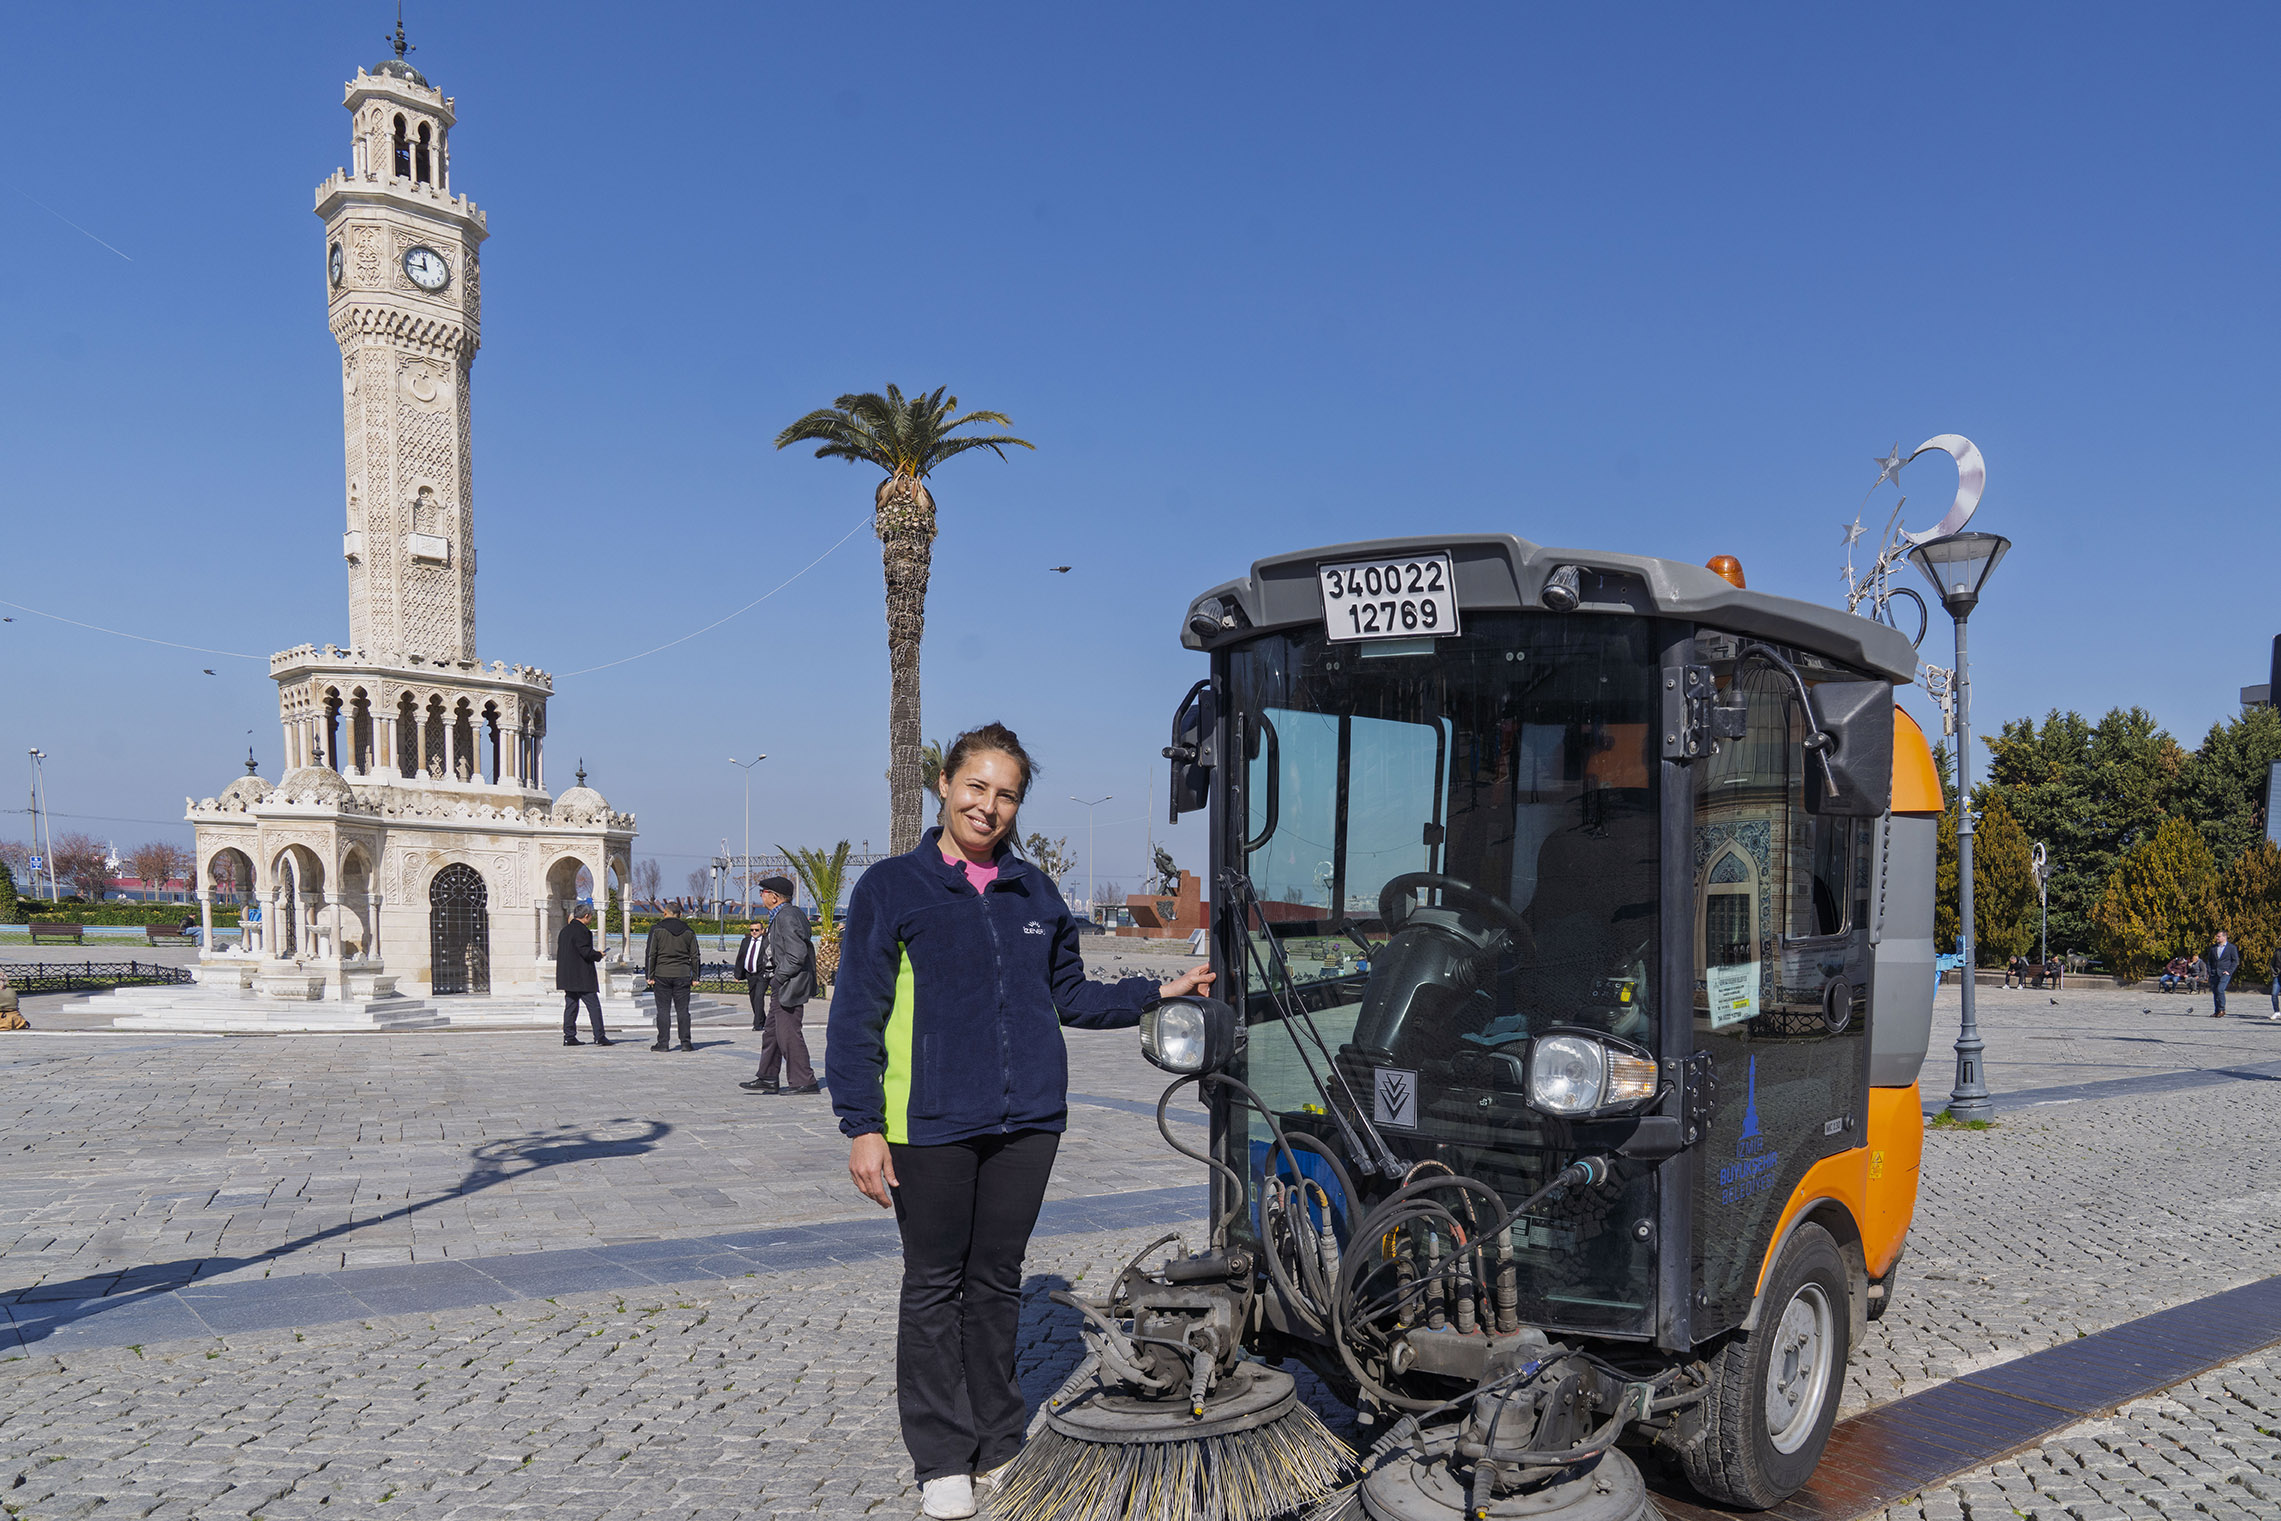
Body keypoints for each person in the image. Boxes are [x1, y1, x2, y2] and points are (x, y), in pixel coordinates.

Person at [829, 723, 1216, 1521]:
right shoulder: (891, 887)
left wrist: (1158, 992)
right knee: (935, 1284)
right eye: (977, 786)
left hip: (1027, 1122)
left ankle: (1000, 1442)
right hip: (926, 1121)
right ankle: (941, 1455)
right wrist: (862, 1123)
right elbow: (855, 1013)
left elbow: (1071, 994)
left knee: (996, 1282)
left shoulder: (1034, 892)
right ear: (945, 782)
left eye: (1005, 793)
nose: (988, 804)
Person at [741, 876, 818, 1095]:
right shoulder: (781, 915)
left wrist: (778, 978)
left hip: (789, 984)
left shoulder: (787, 916)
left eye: (763, 892)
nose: (761, 896)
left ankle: (804, 1080)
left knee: (788, 1034)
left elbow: (797, 955)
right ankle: (767, 1077)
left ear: (774, 896)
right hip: (783, 984)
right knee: (772, 1033)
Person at [644, 903, 702, 1051]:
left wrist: (649, 975)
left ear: (665, 913)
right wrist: (696, 977)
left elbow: (651, 953)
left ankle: (663, 1043)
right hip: (682, 974)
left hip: (662, 974)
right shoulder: (689, 931)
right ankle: (686, 1042)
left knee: (663, 1010)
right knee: (683, 1010)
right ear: (680, 914)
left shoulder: (656, 930)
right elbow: (695, 956)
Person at [557, 904, 611, 1046]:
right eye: (590, 916)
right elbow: (585, 952)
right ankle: (599, 1036)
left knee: (571, 1006)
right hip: (582, 976)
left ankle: (569, 1036)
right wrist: (598, 954)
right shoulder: (582, 931)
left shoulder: (565, 931)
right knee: (593, 1006)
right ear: (586, 916)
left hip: (568, 976)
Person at [734, 916, 771, 1031]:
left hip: (762, 975)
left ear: (762, 931)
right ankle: (762, 1019)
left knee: (759, 997)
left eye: (757, 930)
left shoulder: (766, 942)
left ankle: (757, 1024)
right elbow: (741, 958)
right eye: (752, 930)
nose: (754, 932)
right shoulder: (745, 941)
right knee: (753, 998)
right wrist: (737, 975)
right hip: (750, 975)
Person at [2205, 929, 2240, 1018]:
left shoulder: (2231, 948)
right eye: (2217, 936)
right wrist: (2209, 971)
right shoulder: (2213, 948)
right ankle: (2216, 1010)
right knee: (2215, 992)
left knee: (2220, 989)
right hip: (2214, 973)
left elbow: (2235, 961)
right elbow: (2209, 960)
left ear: (2224, 937)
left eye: (2219, 936)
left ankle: (2222, 1009)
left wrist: (2229, 971)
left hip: (2225, 973)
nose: (2217, 938)